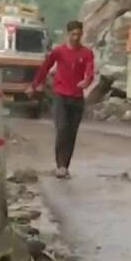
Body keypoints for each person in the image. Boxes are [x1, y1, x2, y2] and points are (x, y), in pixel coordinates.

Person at [28, 20, 94, 179]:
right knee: (62, 128)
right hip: (60, 96)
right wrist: (35, 84)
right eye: (73, 34)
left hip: (77, 98)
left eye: (79, 34)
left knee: (72, 133)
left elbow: (90, 71)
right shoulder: (59, 52)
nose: (76, 37)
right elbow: (45, 67)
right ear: (67, 34)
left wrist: (87, 81)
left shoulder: (86, 53)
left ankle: (65, 165)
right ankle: (60, 165)